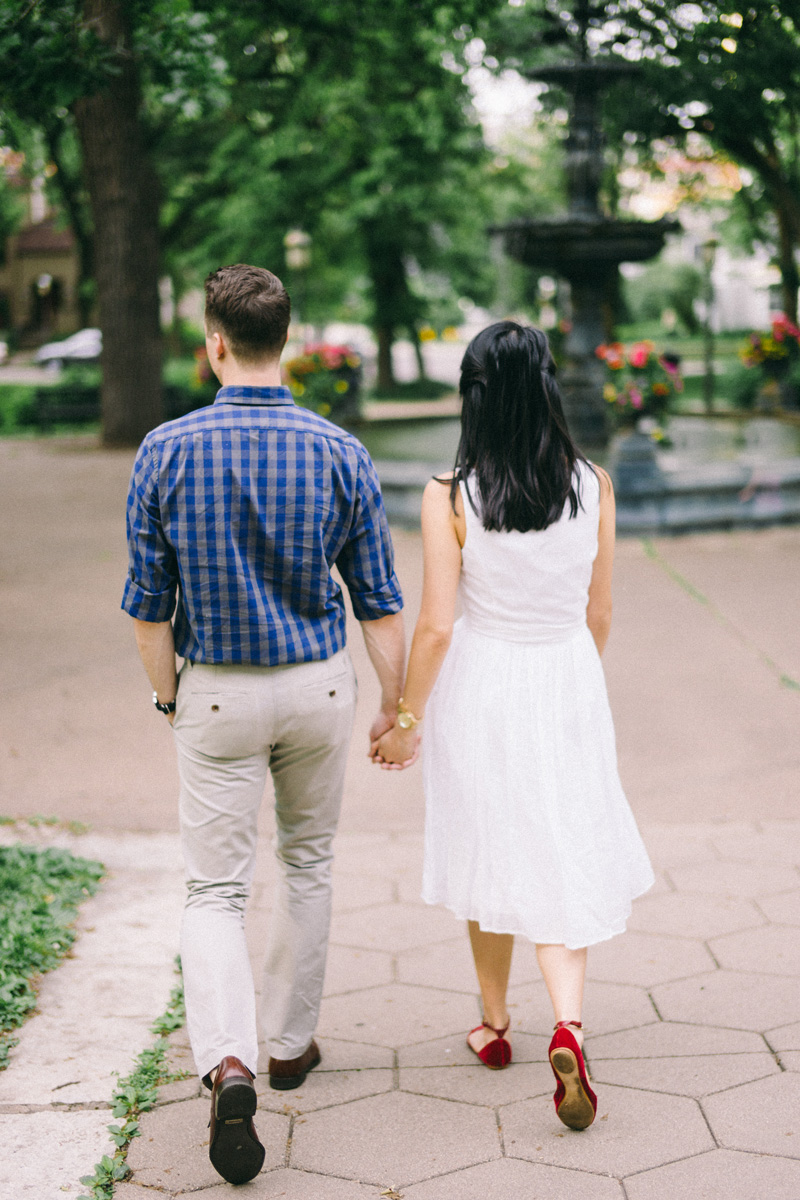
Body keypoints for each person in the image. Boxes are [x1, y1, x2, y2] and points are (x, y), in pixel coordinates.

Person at [122, 264, 406, 1185]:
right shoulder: (338, 451)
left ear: (213, 342)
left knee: (215, 889)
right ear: (285, 341)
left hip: (216, 689)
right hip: (318, 688)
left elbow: (149, 606)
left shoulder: (164, 449)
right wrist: (393, 705)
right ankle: (288, 1046)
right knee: (308, 860)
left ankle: (228, 1062)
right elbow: (380, 604)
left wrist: (170, 697)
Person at [373, 320, 654, 1131]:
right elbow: (600, 610)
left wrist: (404, 718)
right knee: (563, 841)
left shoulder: (448, 494)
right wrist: (573, 671)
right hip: (566, 673)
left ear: (474, 395)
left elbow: (434, 627)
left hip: (484, 682)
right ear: (548, 389)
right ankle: (567, 1021)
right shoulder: (594, 484)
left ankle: (495, 1026)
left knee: (490, 840)